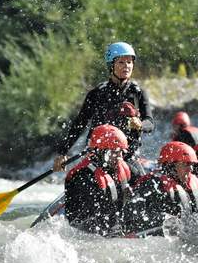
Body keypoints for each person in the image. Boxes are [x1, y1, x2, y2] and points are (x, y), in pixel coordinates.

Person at [53, 42, 154, 175]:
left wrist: (140, 124)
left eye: (129, 62)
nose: (127, 66)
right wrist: (62, 152)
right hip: (97, 156)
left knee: (142, 182)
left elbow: (150, 123)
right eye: (121, 62)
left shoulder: (138, 93)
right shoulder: (96, 94)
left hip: (127, 156)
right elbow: (79, 124)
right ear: (111, 66)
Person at [125, 141, 198, 235]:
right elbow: (133, 218)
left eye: (191, 164)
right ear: (170, 166)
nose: (190, 169)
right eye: (185, 164)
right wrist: (167, 221)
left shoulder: (197, 182)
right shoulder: (153, 185)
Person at [64, 124, 133, 236]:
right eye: (115, 152)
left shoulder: (119, 166)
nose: (120, 156)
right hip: (87, 232)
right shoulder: (83, 177)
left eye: (121, 151)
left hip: (112, 224)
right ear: (100, 152)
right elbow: (92, 217)